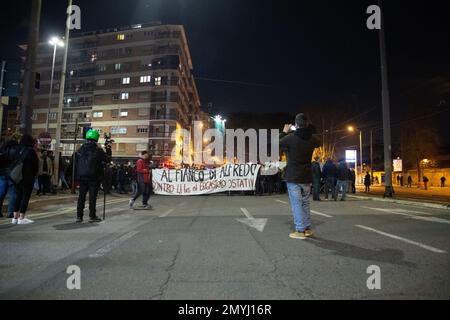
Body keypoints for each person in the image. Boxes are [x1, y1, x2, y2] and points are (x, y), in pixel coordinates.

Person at [279, 113, 320, 240]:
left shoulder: (291, 138)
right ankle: (307, 228)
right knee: (305, 202)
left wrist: (284, 132)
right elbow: (319, 142)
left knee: (296, 203)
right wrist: (307, 129)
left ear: (296, 124)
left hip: (293, 176)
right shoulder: (312, 139)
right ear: (306, 124)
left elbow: (278, 143)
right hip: (306, 176)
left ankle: (300, 230)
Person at [75, 129, 108, 223]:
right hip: (94, 177)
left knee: (81, 196)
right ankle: (92, 216)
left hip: (82, 176)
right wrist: (106, 149)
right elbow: (107, 159)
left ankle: (79, 216)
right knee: (92, 197)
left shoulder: (80, 150)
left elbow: (76, 162)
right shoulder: (98, 150)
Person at [11, 134, 39, 225]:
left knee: (18, 196)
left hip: (18, 177)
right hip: (28, 177)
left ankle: (14, 218)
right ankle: (21, 217)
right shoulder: (31, 151)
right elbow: (36, 166)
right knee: (25, 197)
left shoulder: (18, 150)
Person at [0, 133, 21, 218]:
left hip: (1, 173)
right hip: (12, 173)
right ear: (17, 139)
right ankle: (10, 212)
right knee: (12, 194)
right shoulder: (17, 149)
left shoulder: (3, 147)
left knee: (1, 193)